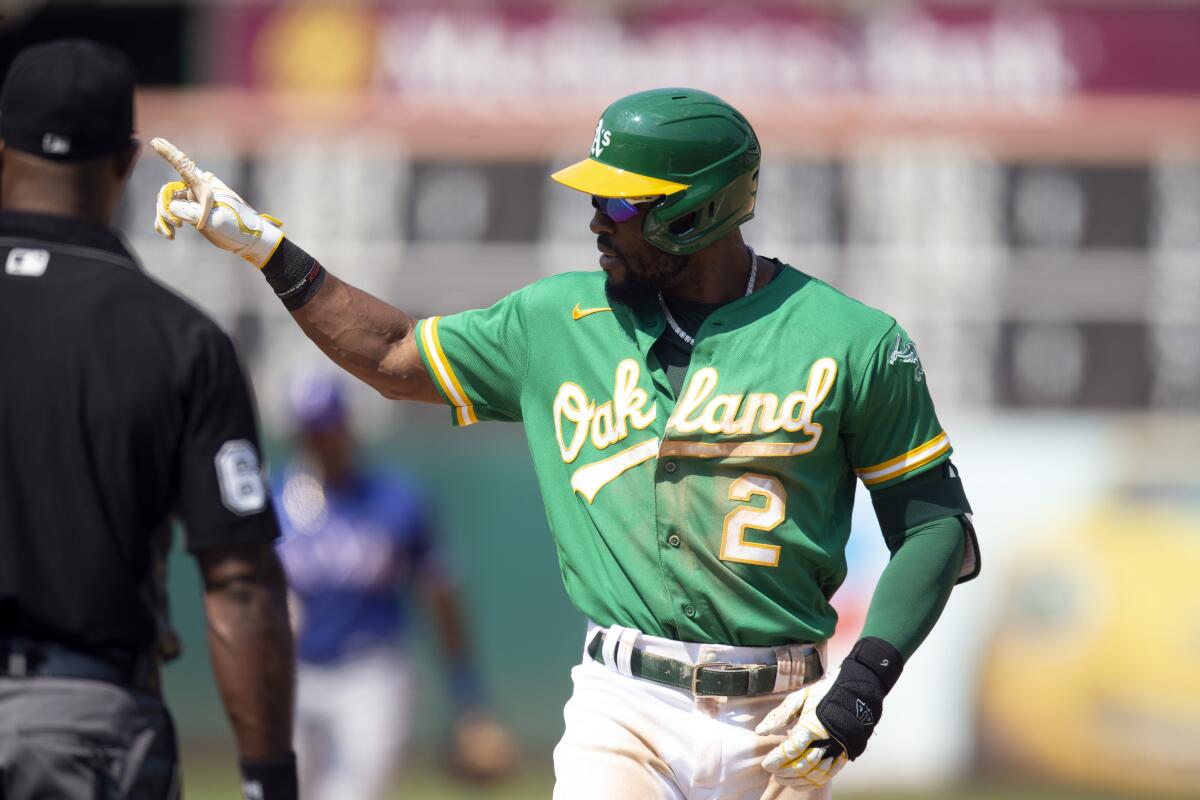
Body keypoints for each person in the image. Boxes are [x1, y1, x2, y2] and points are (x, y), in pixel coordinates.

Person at [152, 86, 980, 799]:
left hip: (783, 712)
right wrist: (267, 249)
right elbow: (394, 354)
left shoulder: (851, 339)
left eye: (622, 204)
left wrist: (864, 679)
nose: (596, 220)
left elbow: (936, 527)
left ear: (699, 210)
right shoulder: (554, 321)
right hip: (625, 702)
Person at [0, 40, 298, 800]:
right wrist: (270, 781)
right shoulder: (178, 338)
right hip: (77, 724)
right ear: (128, 162)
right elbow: (239, 588)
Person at [275, 368, 514, 799]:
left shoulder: (395, 498)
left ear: (347, 427)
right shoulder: (275, 502)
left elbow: (440, 596)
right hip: (291, 672)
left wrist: (468, 695)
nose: (322, 441)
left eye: (328, 428)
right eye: (312, 431)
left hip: (371, 674)